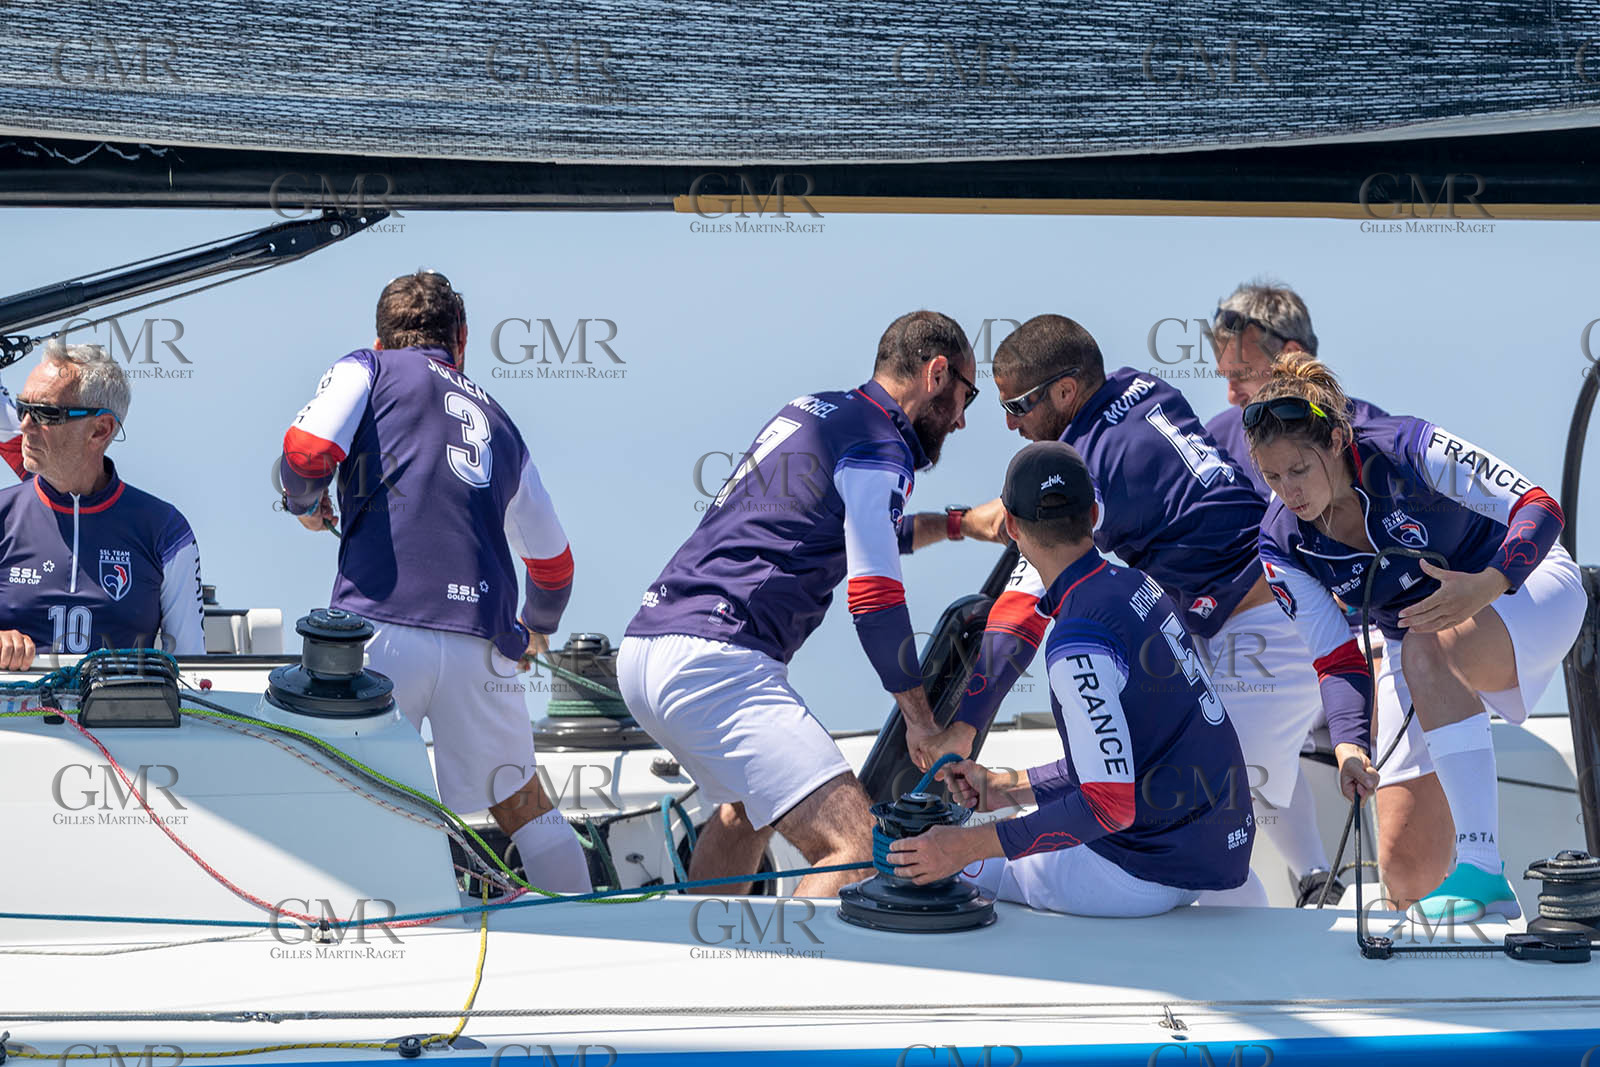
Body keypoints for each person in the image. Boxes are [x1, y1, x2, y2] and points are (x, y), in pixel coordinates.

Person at [931, 314, 1371, 908]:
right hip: (1248, 614)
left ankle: (1272, 947)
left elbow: (1021, 610)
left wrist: (965, 726)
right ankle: (1305, 891)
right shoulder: (1141, 389)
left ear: (1065, 392)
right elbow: (1020, 515)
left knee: (1211, 807)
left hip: (1265, 628)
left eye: (1020, 406)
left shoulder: (1097, 471)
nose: (1011, 423)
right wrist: (949, 524)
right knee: (1190, 778)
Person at [618, 310, 980, 897]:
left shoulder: (812, 411)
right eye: (967, 395)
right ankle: (782, 990)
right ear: (937, 374)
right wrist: (922, 723)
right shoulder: (881, 446)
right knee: (856, 849)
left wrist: (958, 525)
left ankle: (694, 972)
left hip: (647, 650)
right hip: (719, 662)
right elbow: (874, 593)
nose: (962, 421)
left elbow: (840, 530)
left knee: (746, 810)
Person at [278, 269, 590, 893]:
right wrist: (535, 632)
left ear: (382, 335)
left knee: (347, 789)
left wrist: (303, 503)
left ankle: (370, 942)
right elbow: (554, 568)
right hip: (484, 638)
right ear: (462, 340)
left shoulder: (368, 366)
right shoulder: (499, 421)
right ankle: (590, 929)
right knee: (522, 800)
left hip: (382, 629)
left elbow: (307, 453)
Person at [1247, 354, 1583, 921]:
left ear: (1335, 440)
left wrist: (1488, 583)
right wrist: (1350, 742)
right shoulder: (1280, 543)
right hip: (1423, 638)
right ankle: (1456, 968)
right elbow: (1336, 658)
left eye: (1299, 470)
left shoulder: (1406, 447)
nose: (1289, 493)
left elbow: (1540, 506)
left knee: (1428, 643)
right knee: (1404, 871)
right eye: (1272, 478)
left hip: (1525, 585)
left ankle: (1484, 869)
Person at [888, 441, 1269, 914]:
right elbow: (1130, 759)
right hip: (1215, 858)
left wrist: (962, 849)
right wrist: (1009, 787)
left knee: (950, 866)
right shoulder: (1139, 587)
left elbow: (1109, 804)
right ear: (1092, 514)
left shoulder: (1078, 642)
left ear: (1010, 527)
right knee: (1009, 828)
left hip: (1142, 875)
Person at [1200, 282, 1391, 903]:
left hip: (1344, 642)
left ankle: (1318, 877)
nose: (1229, 392)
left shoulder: (1364, 434)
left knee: (1245, 726)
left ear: (1284, 358)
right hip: (1266, 642)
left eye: (1242, 373)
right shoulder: (1220, 432)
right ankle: (1316, 879)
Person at [0, 340, 203, 668]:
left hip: (119, 716)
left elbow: (193, 670)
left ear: (100, 430)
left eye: (46, 413)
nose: (24, 426)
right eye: (24, 408)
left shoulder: (165, 530)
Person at [1204, 283, 1387, 499]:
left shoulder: (1372, 436)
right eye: (1226, 378)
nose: (1231, 397)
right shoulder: (1218, 439)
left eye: (1242, 376)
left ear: (1291, 354)